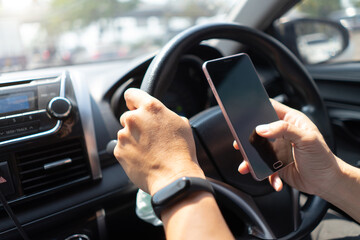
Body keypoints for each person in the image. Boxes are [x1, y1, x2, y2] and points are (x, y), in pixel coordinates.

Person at [114, 88, 360, 240]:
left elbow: (172, 171)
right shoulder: (322, 174)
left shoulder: (172, 172)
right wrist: (331, 177)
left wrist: (171, 173)